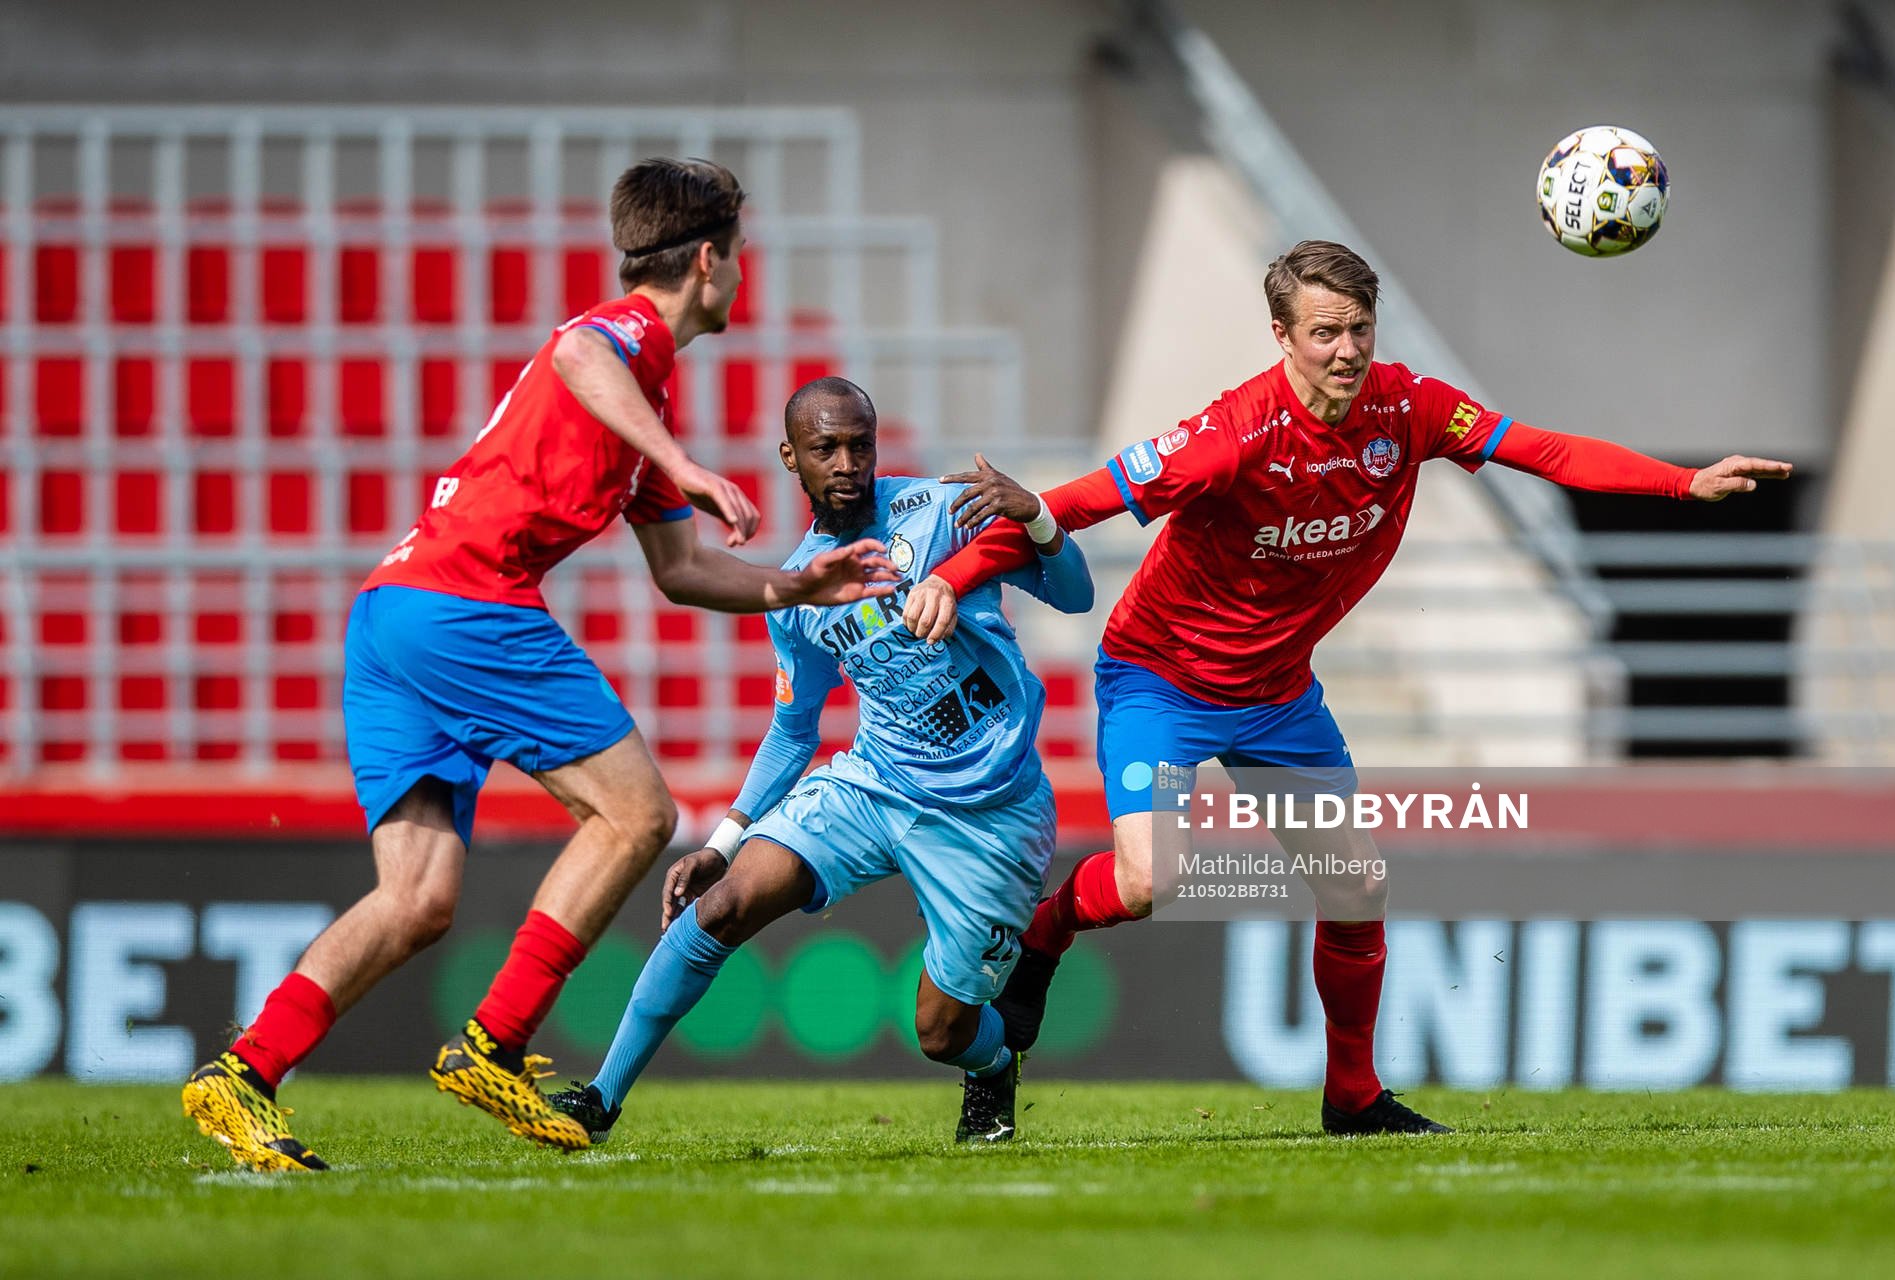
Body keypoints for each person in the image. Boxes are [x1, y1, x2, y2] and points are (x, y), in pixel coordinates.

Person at [904, 239, 1793, 1136]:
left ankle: (1354, 1099)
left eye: (1360, 329)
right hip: (1161, 683)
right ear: (1282, 335)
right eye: (1326, 332)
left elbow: (1544, 449)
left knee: (1356, 886)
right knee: (1148, 885)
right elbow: (1072, 505)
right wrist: (958, 571)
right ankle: (1046, 935)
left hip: (1280, 697)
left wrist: (1683, 482)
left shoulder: (1410, 410)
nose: (1348, 350)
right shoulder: (1231, 435)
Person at [182, 161, 900, 1173]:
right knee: (638, 812)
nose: (743, 276)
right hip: (465, 604)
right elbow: (576, 353)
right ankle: (494, 1043)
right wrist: (689, 465)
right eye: (738, 255)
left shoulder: (641, 402)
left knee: (418, 897)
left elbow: (684, 569)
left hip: (393, 611)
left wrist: (799, 586)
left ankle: (242, 1073)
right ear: (708, 259)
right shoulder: (628, 345)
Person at [548, 375, 1094, 1145]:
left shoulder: (941, 511)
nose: (846, 462)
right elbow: (793, 731)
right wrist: (724, 841)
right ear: (790, 458)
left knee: (941, 1032)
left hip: (991, 812)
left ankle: (994, 1062)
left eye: (859, 444)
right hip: (875, 784)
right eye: (825, 447)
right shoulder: (801, 589)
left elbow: (1075, 597)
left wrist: (1034, 514)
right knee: (725, 905)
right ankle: (600, 1100)